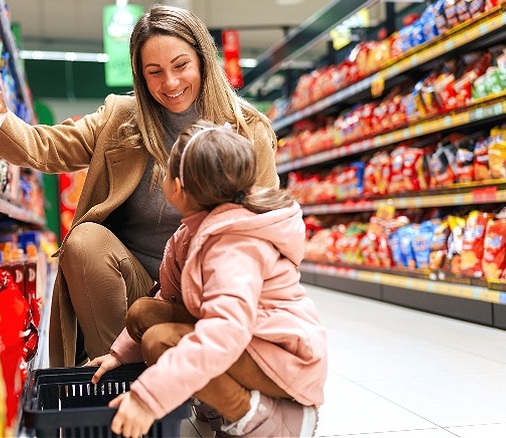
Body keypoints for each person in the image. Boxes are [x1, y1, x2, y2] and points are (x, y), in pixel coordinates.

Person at [0, 4, 280, 367]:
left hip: (208, 289)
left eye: (181, 65)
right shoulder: (121, 119)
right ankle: (114, 378)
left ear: (202, 58)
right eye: (155, 72)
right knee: (84, 240)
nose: (170, 83)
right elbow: (43, 147)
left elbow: (266, 228)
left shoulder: (248, 130)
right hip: (137, 287)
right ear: (140, 76)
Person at [88, 120, 327, 438]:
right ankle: (213, 401)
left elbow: (223, 333)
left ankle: (270, 422)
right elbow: (169, 300)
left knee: (163, 341)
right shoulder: (194, 231)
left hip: (283, 357)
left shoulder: (232, 246)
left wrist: (148, 398)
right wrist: (119, 355)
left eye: (167, 167)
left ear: (180, 187)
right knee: (144, 314)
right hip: (252, 342)